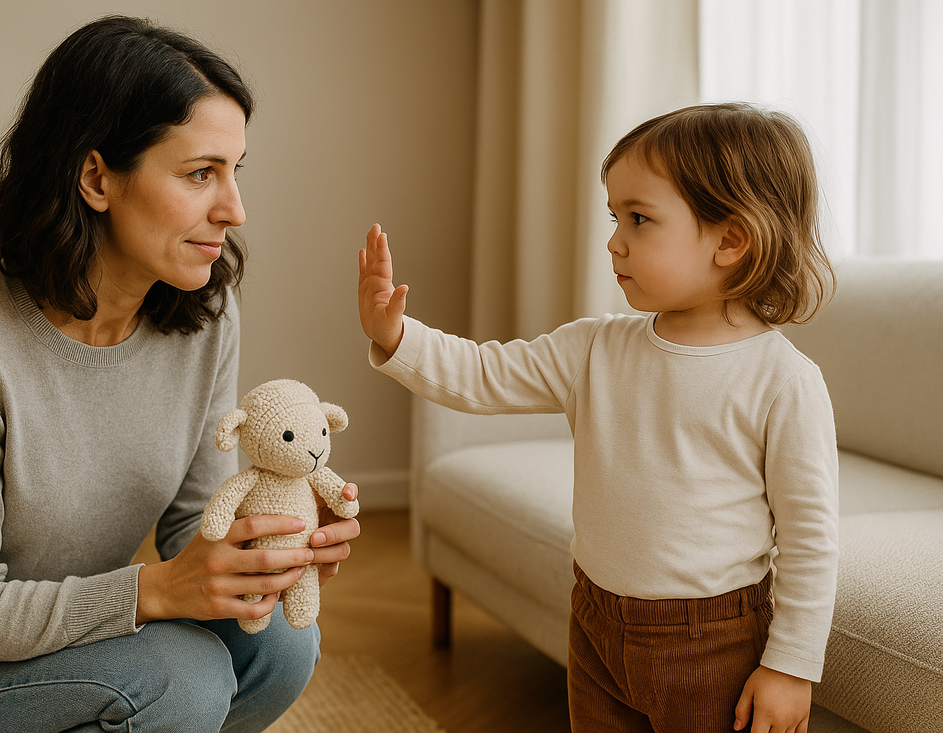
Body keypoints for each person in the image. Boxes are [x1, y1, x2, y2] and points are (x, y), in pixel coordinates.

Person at [0, 15, 359, 733]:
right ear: (95, 177)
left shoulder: (205, 316)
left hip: (49, 646)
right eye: (200, 173)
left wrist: (273, 545)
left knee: (280, 642)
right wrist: (155, 591)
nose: (234, 209)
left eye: (236, 171)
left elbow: (191, 526)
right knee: (180, 675)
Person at [358, 102, 838, 733]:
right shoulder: (594, 348)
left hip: (711, 641)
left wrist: (791, 666)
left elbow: (809, 539)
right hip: (594, 620)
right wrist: (395, 335)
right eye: (614, 217)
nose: (614, 241)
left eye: (638, 219)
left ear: (730, 239)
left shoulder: (782, 380)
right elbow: (481, 374)